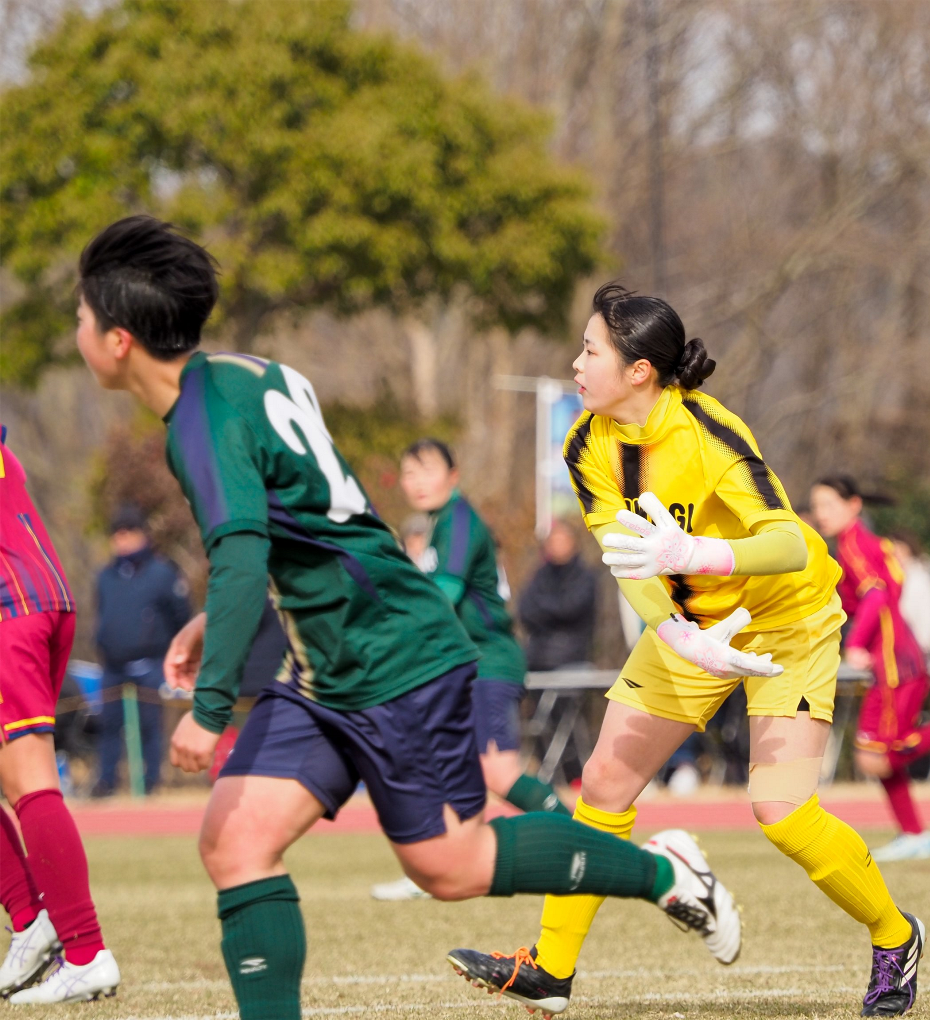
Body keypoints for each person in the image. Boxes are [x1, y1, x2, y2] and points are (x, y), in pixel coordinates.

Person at [73, 216, 740, 1020]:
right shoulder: (246, 375)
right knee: (234, 841)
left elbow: (250, 551)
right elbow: (308, 526)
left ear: (117, 340)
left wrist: (208, 710)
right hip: (328, 666)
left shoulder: (197, 422)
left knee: (448, 870)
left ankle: (667, 874)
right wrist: (216, 618)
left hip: (395, 654)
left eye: (80, 315)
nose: (75, 329)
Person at [453, 283, 925, 1018]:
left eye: (590, 350)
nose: (576, 363)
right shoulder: (586, 443)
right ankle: (550, 970)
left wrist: (698, 552)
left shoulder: (710, 433)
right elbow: (626, 557)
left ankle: (895, 936)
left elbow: (782, 543)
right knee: (604, 784)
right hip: (689, 626)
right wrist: (679, 635)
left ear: (639, 370)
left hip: (788, 623)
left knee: (782, 809)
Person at [369, 440, 572, 903]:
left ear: (453, 476)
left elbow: (441, 598)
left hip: (487, 663)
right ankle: (436, 866)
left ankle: (583, 843)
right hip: (459, 666)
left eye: (426, 470)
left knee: (498, 773)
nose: (415, 481)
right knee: (440, 763)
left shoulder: (459, 522)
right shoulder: (443, 524)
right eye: (408, 473)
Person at [809, 476, 930, 863]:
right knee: (876, 756)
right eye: (817, 506)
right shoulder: (857, 544)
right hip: (896, 662)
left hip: (898, 664)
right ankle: (914, 835)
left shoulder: (856, 544)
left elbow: (877, 595)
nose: (820, 514)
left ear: (854, 505)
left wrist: (857, 643)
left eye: (828, 505)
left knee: (873, 756)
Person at [0, 425, 121, 1002]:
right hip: (44, 599)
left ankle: (85, 950)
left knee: (30, 785)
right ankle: (31, 920)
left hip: (8, 612)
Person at [92, 503, 194, 796]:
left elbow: (181, 616)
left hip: (151, 662)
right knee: (108, 727)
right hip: (112, 664)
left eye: (129, 533)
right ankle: (106, 781)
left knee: (151, 726)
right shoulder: (105, 575)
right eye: (117, 534)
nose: (122, 540)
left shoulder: (162, 573)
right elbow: (101, 610)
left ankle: (151, 783)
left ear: (142, 535)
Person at [518, 519, 598, 671]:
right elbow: (524, 610)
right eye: (553, 541)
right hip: (535, 657)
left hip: (571, 659)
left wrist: (542, 606)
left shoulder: (583, 576)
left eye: (561, 541)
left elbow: (569, 609)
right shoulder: (539, 575)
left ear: (573, 543)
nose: (557, 546)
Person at [888, 530, 930, 657]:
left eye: (900, 550)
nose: (896, 555)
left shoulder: (921, 581)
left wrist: (918, 652)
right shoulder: (887, 580)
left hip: (913, 657)